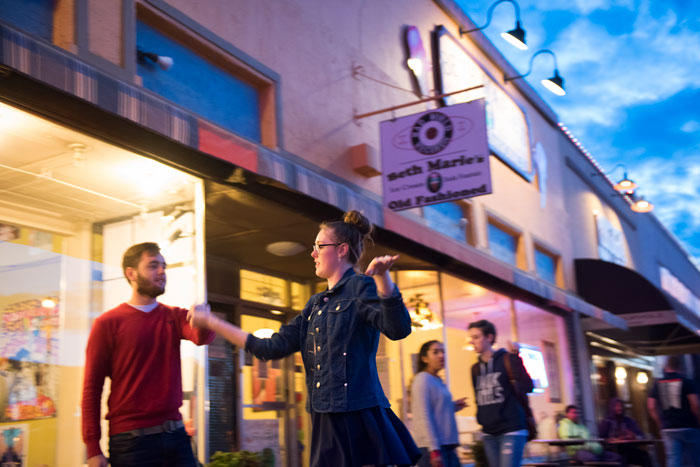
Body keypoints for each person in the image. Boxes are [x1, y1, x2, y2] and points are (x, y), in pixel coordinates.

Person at [188, 210, 420, 467]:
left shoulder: (360, 287)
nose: (313, 254)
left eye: (320, 246)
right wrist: (213, 322)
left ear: (341, 250)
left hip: (357, 415)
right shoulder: (315, 304)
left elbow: (398, 329)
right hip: (324, 417)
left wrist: (382, 278)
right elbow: (269, 348)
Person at [81, 242, 215, 467]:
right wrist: (93, 448)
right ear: (131, 273)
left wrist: (204, 321)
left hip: (176, 434)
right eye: (153, 266)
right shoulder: (107, 323)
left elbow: (202, 338)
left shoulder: (173, 316)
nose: (162, 271)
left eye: (163, 266)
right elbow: (91, 389)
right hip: (132, 442)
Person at [467, 319, 534, 467]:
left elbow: (529, 386)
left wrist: (516, 358)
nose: (472, 342)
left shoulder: (507, 359)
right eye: (471, 338)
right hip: (489, 433)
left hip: (512, 429)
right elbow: (477, 399)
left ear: (489, 338)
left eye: (476, 337)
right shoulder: (475, 369)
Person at [410, 340, 467, 467]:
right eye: (435, 352)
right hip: (432, 448)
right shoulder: (422, 379)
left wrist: (453, 406)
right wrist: (434, 450)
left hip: (446, 445)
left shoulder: (438, 380)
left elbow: (437, 409)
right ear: (424, 358)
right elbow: (423, 415)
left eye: (443, 352)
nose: (441, 355)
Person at [648, 355, 700, 467]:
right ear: (680, 367)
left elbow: (651, 406)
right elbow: (695, 404)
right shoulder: (687, 382)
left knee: (673, 460)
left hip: (668, 428)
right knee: (693, 459)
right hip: (688, 426)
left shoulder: (657, 384)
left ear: (666, 367)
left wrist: (660, 424)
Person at [598, 397, 653, 467]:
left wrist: (634, 436)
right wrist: (610, 440)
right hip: (612, 451)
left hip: (628, 450)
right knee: (623, 458)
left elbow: (641, 435)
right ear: (612, 408)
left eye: (621, 406)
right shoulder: (606, 422)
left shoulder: (628, 421)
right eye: (617, 406)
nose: (619, 408)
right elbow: (601, 439)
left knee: (645, 456)